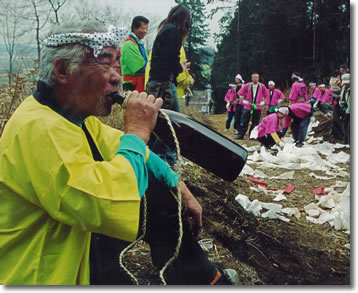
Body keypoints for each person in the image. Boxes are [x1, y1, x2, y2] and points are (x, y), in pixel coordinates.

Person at [0, 21, 238, 286]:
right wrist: (137, 130)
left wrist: (177, 184)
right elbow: (100, 202)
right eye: (105, 63)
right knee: (134, 188)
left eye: (117, 64)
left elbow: (131, 151)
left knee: (154, 184)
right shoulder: (38, 127)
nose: (117, 77)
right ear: (63, 71)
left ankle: (204, 279)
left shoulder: (76, 119)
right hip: (42, 275)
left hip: (76, 252)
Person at [146, 5, 191, 112]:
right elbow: (171, 59)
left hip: (156, 81)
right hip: (164, 83)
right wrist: (179, 68)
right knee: (175, 118)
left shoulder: (165, 29)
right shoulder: (173, 32)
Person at [120, 16, 149, 92]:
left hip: (141, 83)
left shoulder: (139, 44)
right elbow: (139, 67)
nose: (145, 31)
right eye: (143, 28)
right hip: (132, 84)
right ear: (134, 28)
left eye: (146, 28)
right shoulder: (128, 44)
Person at [237, 73, 268, 139]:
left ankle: (252, 135)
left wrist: (264, 102)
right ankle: (241, 134)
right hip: (248, 105)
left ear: (258, 78)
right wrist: (243, 100)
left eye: (256, 77)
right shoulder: (247, 85)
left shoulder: (262, 86)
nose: (255, 79)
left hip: (257, 106)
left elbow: (266, 95)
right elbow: (240, 93)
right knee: (244, 120)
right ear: (251, 78)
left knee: (255, 121)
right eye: (254, 77)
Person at [330, 70, 344, 141]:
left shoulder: (331, 79)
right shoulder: (337, 80)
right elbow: (341, 85)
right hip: (337, 96)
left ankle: (335, 134)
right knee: (337, 118)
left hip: (333, 98)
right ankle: (340, 134)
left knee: (335, 118)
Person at [340, 73, 350, 144]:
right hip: (346, 110)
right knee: (345, 126)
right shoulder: (344, 88)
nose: (346, 84)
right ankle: (346, 141)